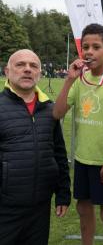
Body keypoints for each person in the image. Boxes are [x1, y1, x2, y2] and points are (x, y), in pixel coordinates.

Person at [53, 23, 103, 245]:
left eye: (96, 47)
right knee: (83, 209)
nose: (89, 52)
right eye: (86, 47)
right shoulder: (79, 79)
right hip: (82, 158)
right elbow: (57, 112)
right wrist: (69, 80)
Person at [0, 49, 71, 245]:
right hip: (6, 209)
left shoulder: (50, 109)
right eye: (20, 65)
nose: (27, 70)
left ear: (39, 73)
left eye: (33, 66)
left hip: (40, 208)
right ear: (7, 71)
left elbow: (59, 152)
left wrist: (63, 193)